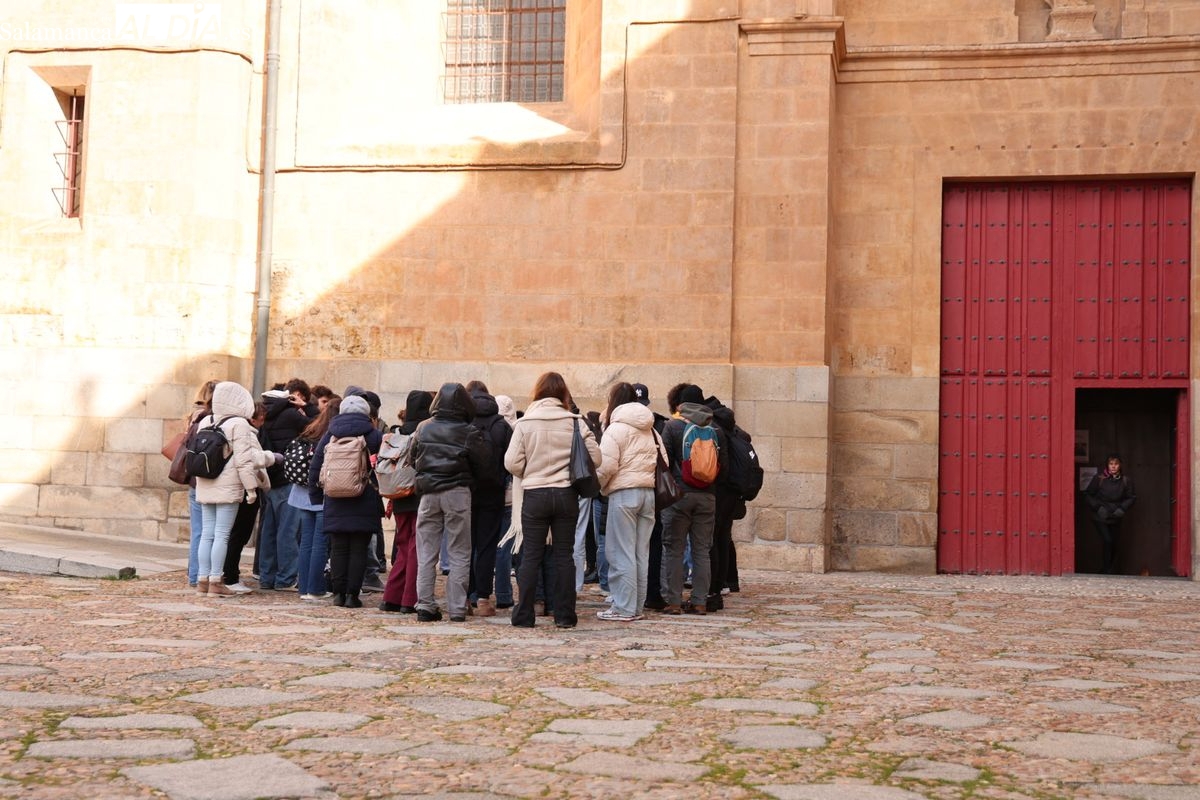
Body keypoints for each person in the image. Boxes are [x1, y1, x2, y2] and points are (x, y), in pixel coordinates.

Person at [504, 371, 600, 629]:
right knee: (564, 555)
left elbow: (511, 462)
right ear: (563, 394)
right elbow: (596, 459)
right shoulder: (576, 423)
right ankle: (565, 614)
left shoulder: (525, 423)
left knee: (531, 555)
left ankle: (524, 614)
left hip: (535, 494)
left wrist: (531, 470)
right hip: (566, 494)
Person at [410, 383, 491, 622]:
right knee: (459, 552)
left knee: (426, 552)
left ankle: (425, 605)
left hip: (428, 492)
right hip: (457, 492)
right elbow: (483, 466)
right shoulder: (468, 431)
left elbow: (412, 458)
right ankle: (456, 608)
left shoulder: (423, 427)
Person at [194, 381, 277, 596]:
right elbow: (243, 461)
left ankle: (202, 579)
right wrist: (251, 489)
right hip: (228, 485)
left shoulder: (206, 421)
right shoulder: (238, 424)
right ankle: (216, 581)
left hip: (205, 482)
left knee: (207, 534)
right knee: (222, 534)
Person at [594, 382, 663, 621]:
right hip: (648, 493)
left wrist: (598, 486)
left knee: (620, 552)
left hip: (624, 493)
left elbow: (606, 466)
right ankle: (636, 606)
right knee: (640, 553)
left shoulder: (615, 429)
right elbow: (664, 460)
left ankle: (623, 608)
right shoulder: (651, 429)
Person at [307, 395, 383, 608]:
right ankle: (352, 595)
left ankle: (338, 594)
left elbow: (316, 466)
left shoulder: (330, 434)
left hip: (334, 497)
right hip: (364, 496)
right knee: (359, 548)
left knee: (338, 548)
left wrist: (315, 496)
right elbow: (383, 467)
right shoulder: (374, 435)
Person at [659, 383, 725, 615]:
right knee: (702, 550)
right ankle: (699, 601)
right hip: (707, 496)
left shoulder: (672, 426)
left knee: (674, 548)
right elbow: (723, 466)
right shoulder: (715, 429)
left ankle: (673, 601)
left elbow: (664, 462)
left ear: (681, 404)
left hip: (679, 495)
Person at [379, 390, 434, 614]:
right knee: (417, 547)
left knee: (403, 546)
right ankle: (410, 599)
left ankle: (391, 597)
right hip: (419, 493)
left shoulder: (397, 431)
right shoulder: (426, 431)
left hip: (399, 493)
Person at [258, 383, 315, 590]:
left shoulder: (263, 415)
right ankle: (286, 578)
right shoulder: (291, 415)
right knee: (288, 530)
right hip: (287, 478)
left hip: (268, 478)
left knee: (269, 531)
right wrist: (307, 406)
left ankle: (267, 577)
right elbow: (317, 427)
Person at [466, 380, 512, 617]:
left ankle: (464, 597)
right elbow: (511, 460)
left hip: (466, 491)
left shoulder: (463, 421)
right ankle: (483, 598)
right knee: (486, 546)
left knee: (464, 546)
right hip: (493, 493)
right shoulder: (501, 425)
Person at [290, 397, 340, 600]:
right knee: (320, 543)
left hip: (303, 493)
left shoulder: (311, 429)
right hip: (322, 495)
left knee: (306, 542)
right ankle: (316, 588)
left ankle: (304, 587)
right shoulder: (333, 435)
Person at [182, 380, 216, 589]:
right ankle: (203, 574)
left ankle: (194, 574)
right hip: (207, 480)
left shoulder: (193, 417)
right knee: (209, 532)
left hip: (194, 480)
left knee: (198, 531)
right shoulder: (210, 419)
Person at [1085, 454, 1136, 574]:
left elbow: (1131, 497)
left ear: (1120, 465)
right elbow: (1088, 495)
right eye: (1111, 464)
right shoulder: (1099, 479)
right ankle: (1106, 570)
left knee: (1114, 543)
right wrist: (1098, 508)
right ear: (1107, 465)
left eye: (1116, 464)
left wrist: (1122, 509)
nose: (1113, 466)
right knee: (1107, 540)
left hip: (1115, 516)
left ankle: (1107, 569)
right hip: (1100, 516)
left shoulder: (1125, 481)